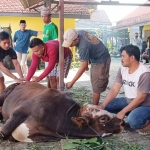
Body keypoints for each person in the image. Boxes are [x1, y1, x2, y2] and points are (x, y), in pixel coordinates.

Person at [99, 44, 150, 136]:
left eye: (123, 56)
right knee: (107, 106)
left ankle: (147, 122)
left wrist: (123, 111)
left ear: (132, 58)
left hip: (145, 105)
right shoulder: (122, 70)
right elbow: (114, 89)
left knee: (133, 122)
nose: (121, 58)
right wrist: (102, 105)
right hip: (129, 100)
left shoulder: (144, 73)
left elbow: (141, 98)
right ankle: (131, 112)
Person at [62, 29, 111, 105]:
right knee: (94, 80)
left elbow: (83, 67)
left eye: (71, 44)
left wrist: (72, 82)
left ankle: (94, 108)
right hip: (95, 57)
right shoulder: (79, 32)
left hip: (101, 59)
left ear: (77, 39)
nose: (70, 46)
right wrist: (87, 62)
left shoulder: (83, 47)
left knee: (96, 85)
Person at [41, 7, 58, 88]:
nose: (43, 18)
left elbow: (56, 41)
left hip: (51, 54)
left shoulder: (53, 27)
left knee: (53, 77)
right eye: (42, 16)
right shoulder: (45, 26)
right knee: (47, 74)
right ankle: (48, 90)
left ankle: (54, 94)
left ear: (50, 16)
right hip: (45, 54)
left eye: (45, 16)